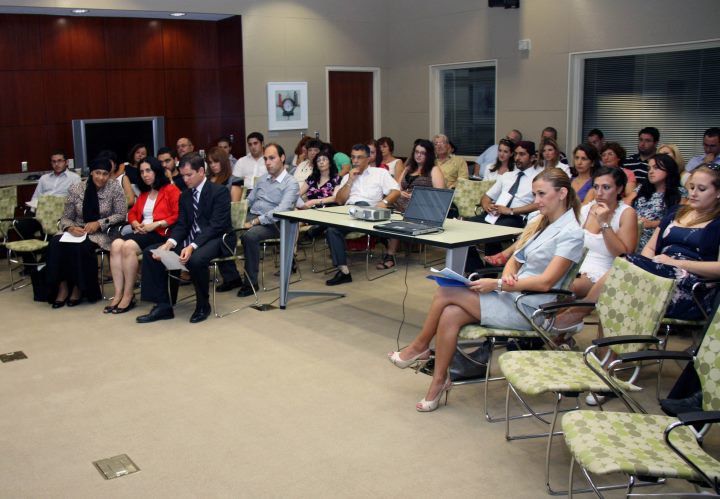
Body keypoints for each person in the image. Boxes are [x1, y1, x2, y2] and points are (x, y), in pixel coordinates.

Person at [388, 168, 584, 411]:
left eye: (541, 194)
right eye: (535, 194)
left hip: (532, 308)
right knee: (450, 313)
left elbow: (546, 282)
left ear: (562, 193)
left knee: (446, 292)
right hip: (513, 294)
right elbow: (516, 257)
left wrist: (498, 283)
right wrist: (508, 273)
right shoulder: (541, 223)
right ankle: (439, 381)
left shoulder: (572, 233)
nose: (536, 200)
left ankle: (420, 347)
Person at [554, 165, 720, 333]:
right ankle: (593, 340)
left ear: (718, 192)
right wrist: (651, 265)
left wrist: (675, 263)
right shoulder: (676, 212)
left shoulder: (717, 222)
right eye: (691, 187)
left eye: (701, 189)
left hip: (690, 286)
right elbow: (650, 247)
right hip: (660, 271)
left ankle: (576, 315)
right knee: (620, 281)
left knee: (623, 267)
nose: (693, 193)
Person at [136, 153, 237, 324]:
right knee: (151, 253)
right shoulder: (185, 195)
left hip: (218, 238)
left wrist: (192, 246)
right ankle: (162, 306)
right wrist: (169, 243)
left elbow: (216, 226)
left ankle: (203, 305)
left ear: (201, 171)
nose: (185, 179)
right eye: (182, 175)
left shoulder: (219, 192)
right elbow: (182, 225)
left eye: (189, 175)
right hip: (192, 238)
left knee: (195, 259)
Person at [45, 158, 127, 308]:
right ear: (91, 173)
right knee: (55, 244)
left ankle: (78, 288)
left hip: (101, 232)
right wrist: (70, 228)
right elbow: (66, 217)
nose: (101, 177)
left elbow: (121, 214)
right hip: (76, 229)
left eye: (105, 174)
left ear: (109, 175)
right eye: (97, 173)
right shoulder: (76, 188)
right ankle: (63, 287)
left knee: (82, 246)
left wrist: (99, 223)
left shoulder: (114, 188)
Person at [106, 157, 180, 314]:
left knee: (127, 246)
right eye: (141, 172)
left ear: (156, 171)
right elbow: (132, 213)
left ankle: (128, 295)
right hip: (142, 231)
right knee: (115, 245)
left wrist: (158, 223)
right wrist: (134, 223)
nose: (145, 175)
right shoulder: (144, 193)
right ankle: (118, 294)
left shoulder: (170, 190)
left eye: (148, 170)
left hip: (160, 233)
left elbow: (178, 214)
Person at [325, 143, 400, 286]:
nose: (355, 161)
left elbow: (396, 191)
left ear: (368, 158)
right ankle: (344, 272)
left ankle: (317, 228)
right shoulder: (347, 177)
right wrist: (350, 181)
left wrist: (384, 202)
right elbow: (340, 200)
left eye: (359, 157)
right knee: (331, 230)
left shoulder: (379, 173)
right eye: (353, 157)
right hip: (348, 214)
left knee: (362, 204)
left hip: (369, 214)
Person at [238, 143, 300, 297]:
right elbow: (249, 201)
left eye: (272, 158)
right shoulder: (262, 179)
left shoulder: (291, 183)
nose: (267, 162)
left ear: (282, 158)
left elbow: (281, 210)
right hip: (253, 215)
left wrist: (255, 222)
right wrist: (237, 213)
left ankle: (250, 283)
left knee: (249, 236)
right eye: (265, 159)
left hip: (276, 223)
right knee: (221, 227)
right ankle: (231, 277)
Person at [377, 139, 445, 269]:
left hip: (422, 206)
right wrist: (401, 192)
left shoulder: (434, 170)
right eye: (416, 152)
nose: (418, 155)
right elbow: (396, 187)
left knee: (396, 217)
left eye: (422, 153)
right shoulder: (408, 168)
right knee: (383, 207)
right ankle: (386, 243)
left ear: (429, 155)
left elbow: (439, 195)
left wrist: (419, 195)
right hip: (401, 202)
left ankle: (390, 255)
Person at [572, 166, 638, 299]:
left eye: (606, 187)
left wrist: (604, 224)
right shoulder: (586, 209)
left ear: (619, 189)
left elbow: (623, 256)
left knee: (563, 287)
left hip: (601, 271)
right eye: (596, 187)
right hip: (574, 264)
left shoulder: (626, 213)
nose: (599, 193)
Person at [633, 153, 686, 250]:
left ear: (668, 169)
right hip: (634, 232)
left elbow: (680, 219)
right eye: (649, 168)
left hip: (656, 238)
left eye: (656, 168)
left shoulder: (680, 192)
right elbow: (626, 205)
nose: (651, 172)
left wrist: (652, 224)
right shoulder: (642, 188)